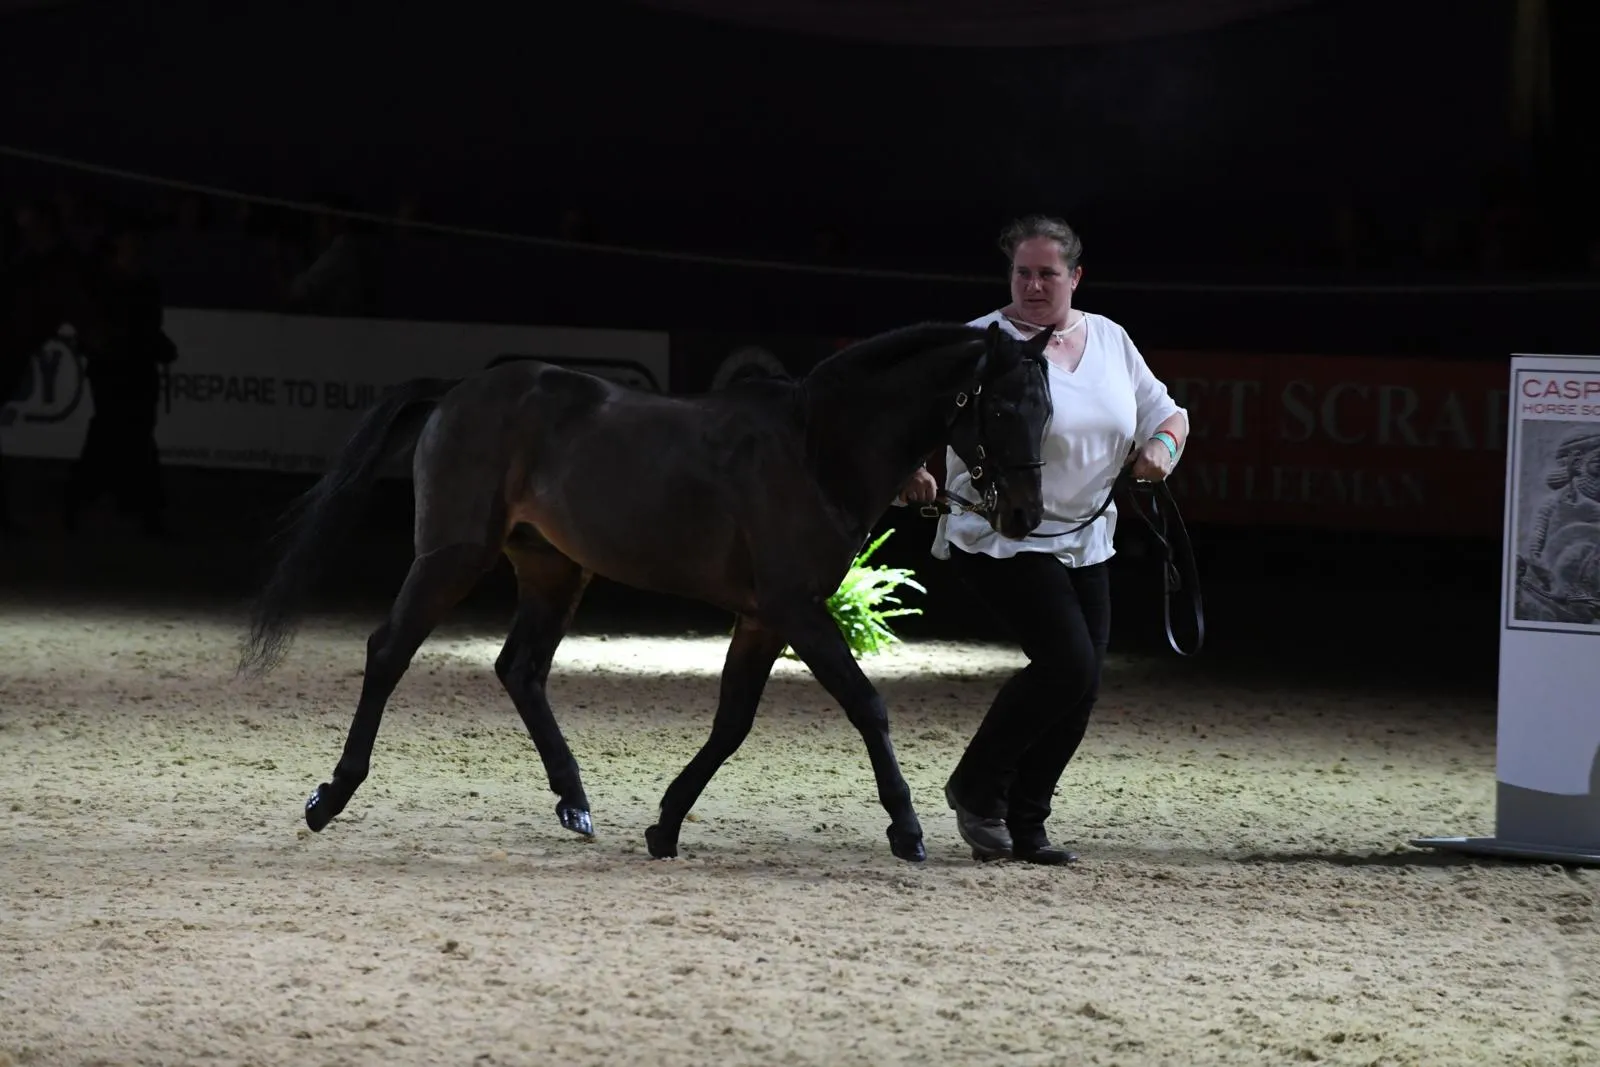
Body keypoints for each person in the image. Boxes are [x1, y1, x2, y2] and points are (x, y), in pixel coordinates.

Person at [897, 214, 1188, 865]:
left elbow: (1165, 411)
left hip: (1088, 539)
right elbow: (913, 418)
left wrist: (1163, 447)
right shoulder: (977, 341)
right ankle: (976, 786)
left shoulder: (1110, 339)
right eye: (1022, 273)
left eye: (1047, 273)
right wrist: (912, 468)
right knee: (1069, 665)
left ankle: (1026, 824)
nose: (1032, 285)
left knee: (1080, 687)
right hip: (999, 533)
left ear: (1075, 276)